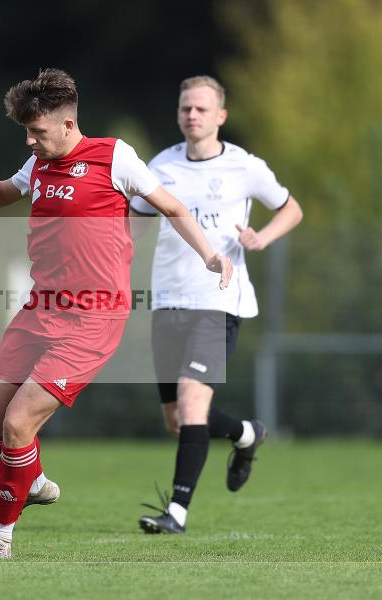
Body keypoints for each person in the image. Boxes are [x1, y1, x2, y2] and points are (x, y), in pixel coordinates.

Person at [0, 69, 233, 559]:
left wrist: (210, 255)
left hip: (93, 319)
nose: (30, 141)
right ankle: (35, 479)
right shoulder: (38, 163)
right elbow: (4, 190)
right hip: (39, 309)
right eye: (26, 132)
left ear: (68, 125)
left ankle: (0, 538)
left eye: (37, 132)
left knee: (19, 424)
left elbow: (173, 207)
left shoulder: (115, 157)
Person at [129, 75, 302, 534]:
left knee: (191, 404)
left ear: (220, 116)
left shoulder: (245, 167)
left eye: (202, 109)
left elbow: (291, 208)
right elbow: (137, 225)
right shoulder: (160, 165)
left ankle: (176, 513)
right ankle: (247, 435)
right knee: (177, 419)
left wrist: (261, 237)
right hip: (167, 299)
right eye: (186, 108)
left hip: (219, 300)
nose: (192, 115)